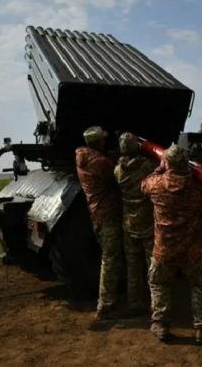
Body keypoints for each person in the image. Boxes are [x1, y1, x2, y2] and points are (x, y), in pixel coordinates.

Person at [141, 144, 202, 345]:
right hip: (192, 250)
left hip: (163, 249)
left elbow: (144, 184)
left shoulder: (156, 185)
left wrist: (159, 168)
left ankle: (160, 326)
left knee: (159, 284)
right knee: (200, 285)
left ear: (167, 163)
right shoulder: (197, 188)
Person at [75, 125, 123, 321]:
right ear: (99, 142)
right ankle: (106, 304)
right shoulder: (100, 163)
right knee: (110, 259)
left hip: (97, 214)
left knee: (109, 255)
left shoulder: (82, 156)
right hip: (107, 215)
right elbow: (118, 176)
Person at [114, 132, 157, 315]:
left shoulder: (117, 170)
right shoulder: (147, 167)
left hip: (129, 223)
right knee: (151, 265)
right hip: (147, 222)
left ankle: (134, 302)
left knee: (133, 266)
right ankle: (155, 302)